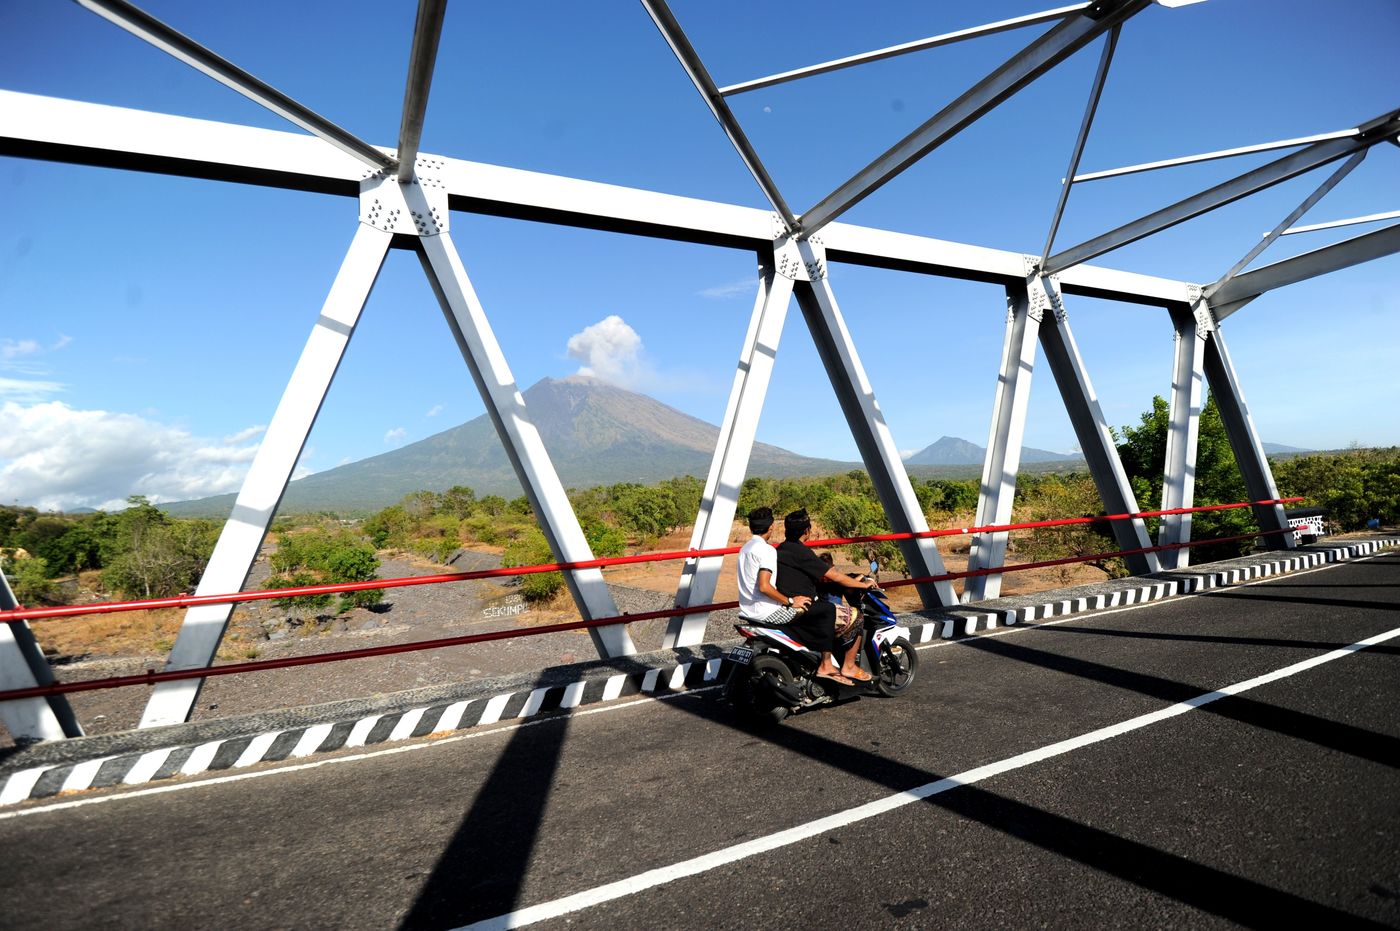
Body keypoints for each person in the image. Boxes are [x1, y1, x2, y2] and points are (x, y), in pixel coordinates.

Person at [735, 506, 847, 684]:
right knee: (826, 609)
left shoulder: (745, 549)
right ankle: (826, 664)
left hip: (747, 611)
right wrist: (789, 601)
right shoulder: (767, 550)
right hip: (768, 611)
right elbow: (764, 586)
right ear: (771, 527)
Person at [775, 509, 876, 685]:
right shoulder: (801, 552)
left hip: (786, 605)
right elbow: (835, 576)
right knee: (857, 617)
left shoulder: (781, 549)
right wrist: (863, 584)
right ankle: (848, 666)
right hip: (805, 609)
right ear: (807, 531)